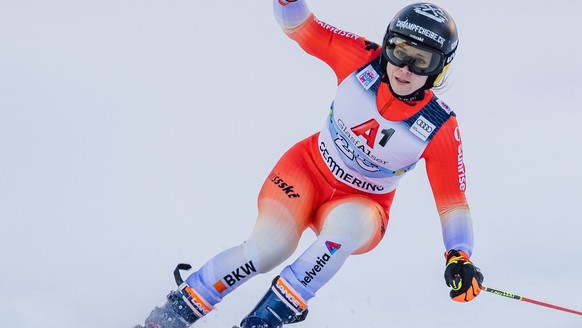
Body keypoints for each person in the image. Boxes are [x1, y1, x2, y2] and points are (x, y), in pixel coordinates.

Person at [135, 1, 484, 327]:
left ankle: (267, 317)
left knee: (345, 229)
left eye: (421, 61)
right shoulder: (359, 58)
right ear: (386, 44)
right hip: (305, 171)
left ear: (440, 67)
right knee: (267, 249)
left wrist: (459, 256)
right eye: (398, 51)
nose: (404, 68)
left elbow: (453, 202)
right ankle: (169, 316)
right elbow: (299, 25)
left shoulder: (439, 126)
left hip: (363, 204)